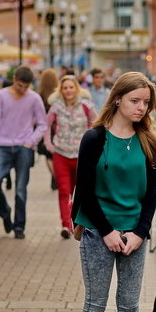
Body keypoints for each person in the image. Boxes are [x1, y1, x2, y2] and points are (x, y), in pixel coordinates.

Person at [71, 71, 156, 312]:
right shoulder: (94, 139)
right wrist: (107, 231)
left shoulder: (147, 139)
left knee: (129, 305)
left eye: (146, 103)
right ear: (118, 99)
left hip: (134, 234)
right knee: (95, 304)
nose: (141, 108)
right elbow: (86, 191)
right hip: (98, 232)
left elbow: (152, 193)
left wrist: (140, 232)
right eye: (135, 101)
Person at [0, 66, 47, 239]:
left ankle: (19, 226)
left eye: (26, 87)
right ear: (14, 79)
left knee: (21, 189)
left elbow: (43, 124)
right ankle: (5, 213)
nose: (23, 90)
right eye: (20, 85)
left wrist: (31, 141)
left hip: (23, 147)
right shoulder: (1, 96)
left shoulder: (34, 98)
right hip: (2, 146)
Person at [44, 75, 97, 238]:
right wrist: (49, 145)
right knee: (64, 189)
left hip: (81, 155)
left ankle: (77, 222)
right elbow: (46, 126)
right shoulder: (55, 107)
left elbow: (97, 125)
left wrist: (94, 147)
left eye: (71, 87)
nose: (68, 90)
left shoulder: (86, 106)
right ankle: (65, 225)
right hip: (61, 153)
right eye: (65, 88)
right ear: (61, 90)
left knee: (79, 191)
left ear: (77, 89)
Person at [36, 68, 59, 190]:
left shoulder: (39, 95)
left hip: (44, 128)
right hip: (57, 128)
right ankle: (56, 177)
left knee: (48, 155)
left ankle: (54, 177)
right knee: (55, 155)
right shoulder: (58, 95)